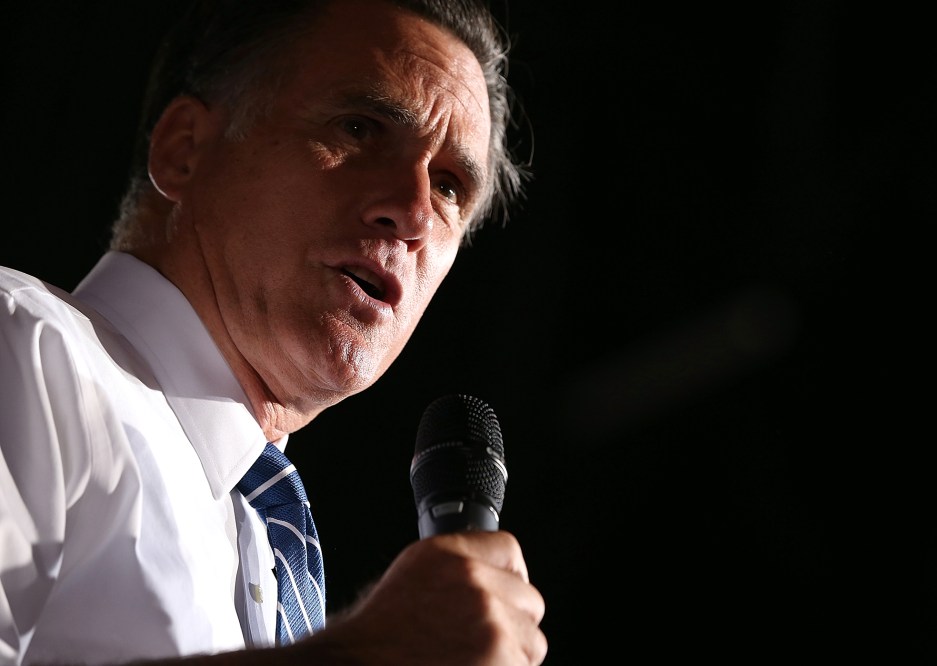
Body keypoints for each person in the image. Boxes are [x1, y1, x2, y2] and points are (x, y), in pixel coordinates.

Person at [0, 0, 546, 664]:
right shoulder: (21, 344)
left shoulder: (260, 542)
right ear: (184, 151)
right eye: (360, 127)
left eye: (450, 187)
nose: (411, 213)